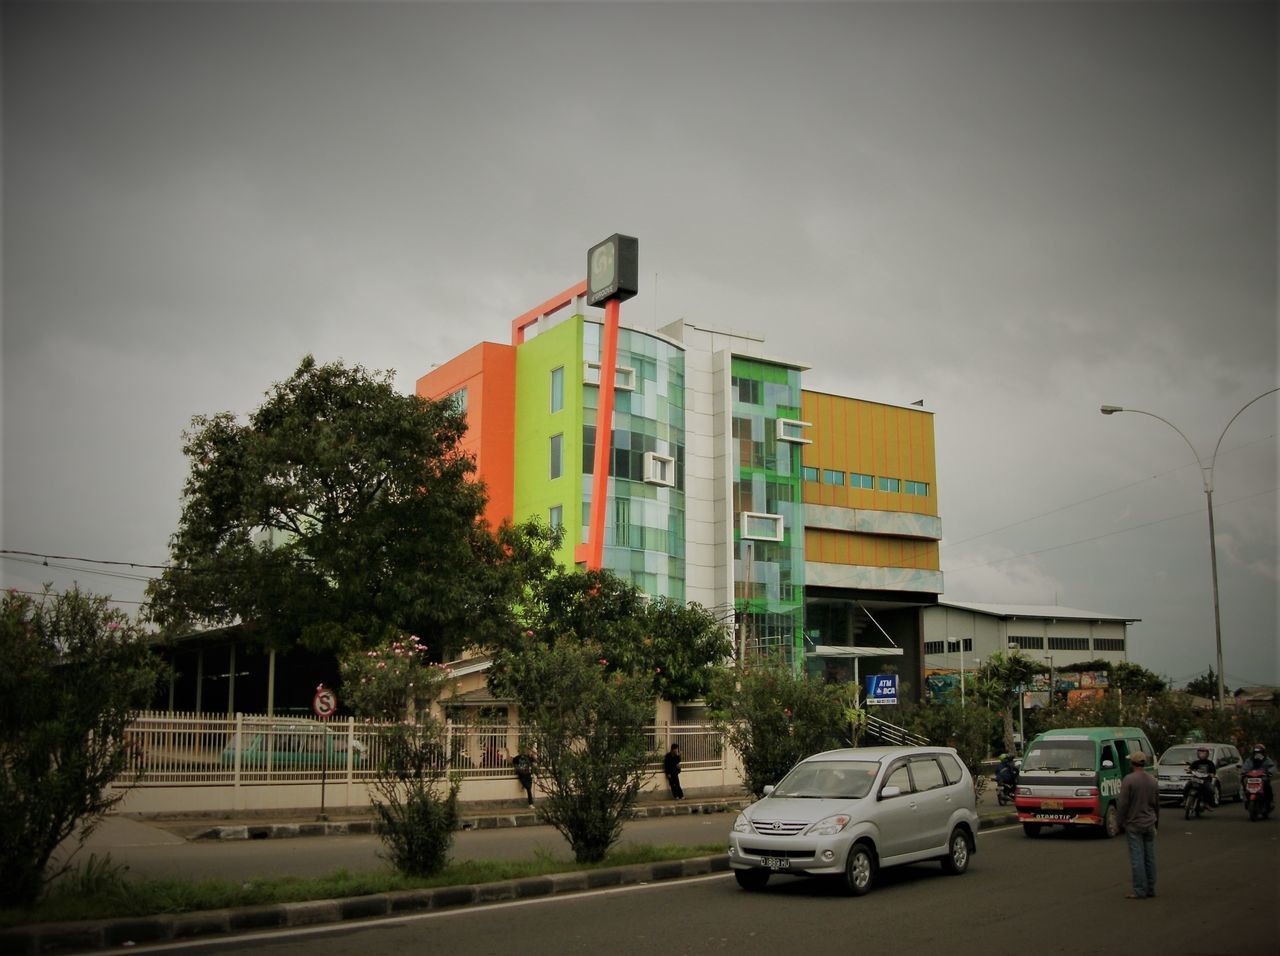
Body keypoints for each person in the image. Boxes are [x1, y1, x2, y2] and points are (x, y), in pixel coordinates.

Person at [1117, 750, 1160, 899]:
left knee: (1137, 857)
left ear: (1132, 763)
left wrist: (1119, 822)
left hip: (1134, 824)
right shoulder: (1152, 780)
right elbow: (1156, 804)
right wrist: (1156, 822)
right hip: (1149, 822)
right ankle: (1151, 888)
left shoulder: (1129, 780)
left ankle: (1140, 890)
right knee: (1150, 857)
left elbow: (1122, 804)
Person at [1242, 744, 1276, 811]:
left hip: (1263, 777)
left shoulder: (1267, 760)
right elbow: (1245, 767)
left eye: (1259, 752)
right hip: (1252, 778)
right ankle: (1247, 798)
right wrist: (1244, 772)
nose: (1258, 754)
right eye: (1256, 752)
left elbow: (1272, 767)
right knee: (1244, 782)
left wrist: (1269, 772)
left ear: (1263, 753)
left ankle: (1270, 800)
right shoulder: (1250, 760)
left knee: (1266, 784)